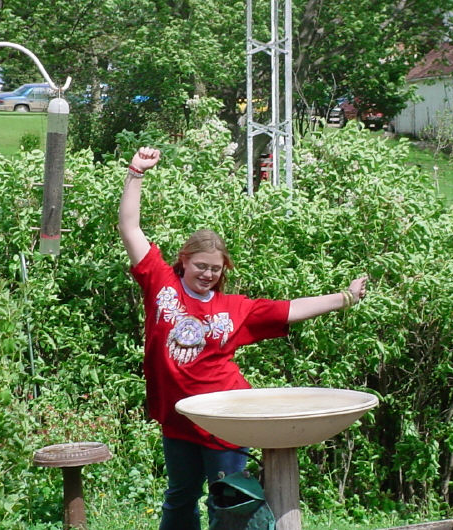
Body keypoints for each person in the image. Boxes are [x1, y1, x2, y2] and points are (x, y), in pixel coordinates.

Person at [119, 146, 367, 529]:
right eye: (201, 266)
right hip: (178, 418)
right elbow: (130, 228)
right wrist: (136, 172)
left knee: (227, 502)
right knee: (179, 497)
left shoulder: (235, 308)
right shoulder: (160, 283)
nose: (207, 274)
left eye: (216, 269)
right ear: (184, 260)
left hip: (224, 421)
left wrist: (345, 298)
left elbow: (290, 309)